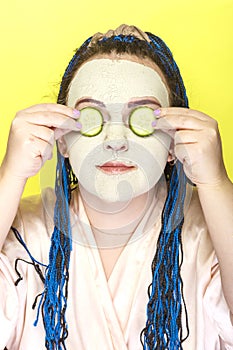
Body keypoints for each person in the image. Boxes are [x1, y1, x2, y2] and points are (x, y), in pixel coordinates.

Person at [0, 24, 233, 350]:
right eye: (92, 117)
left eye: (141, 117)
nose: (116, 142)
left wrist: (216, 182)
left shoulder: (211, 232)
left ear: (172, 145)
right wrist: (10, 175)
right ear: (62, 140)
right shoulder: (23, 231)